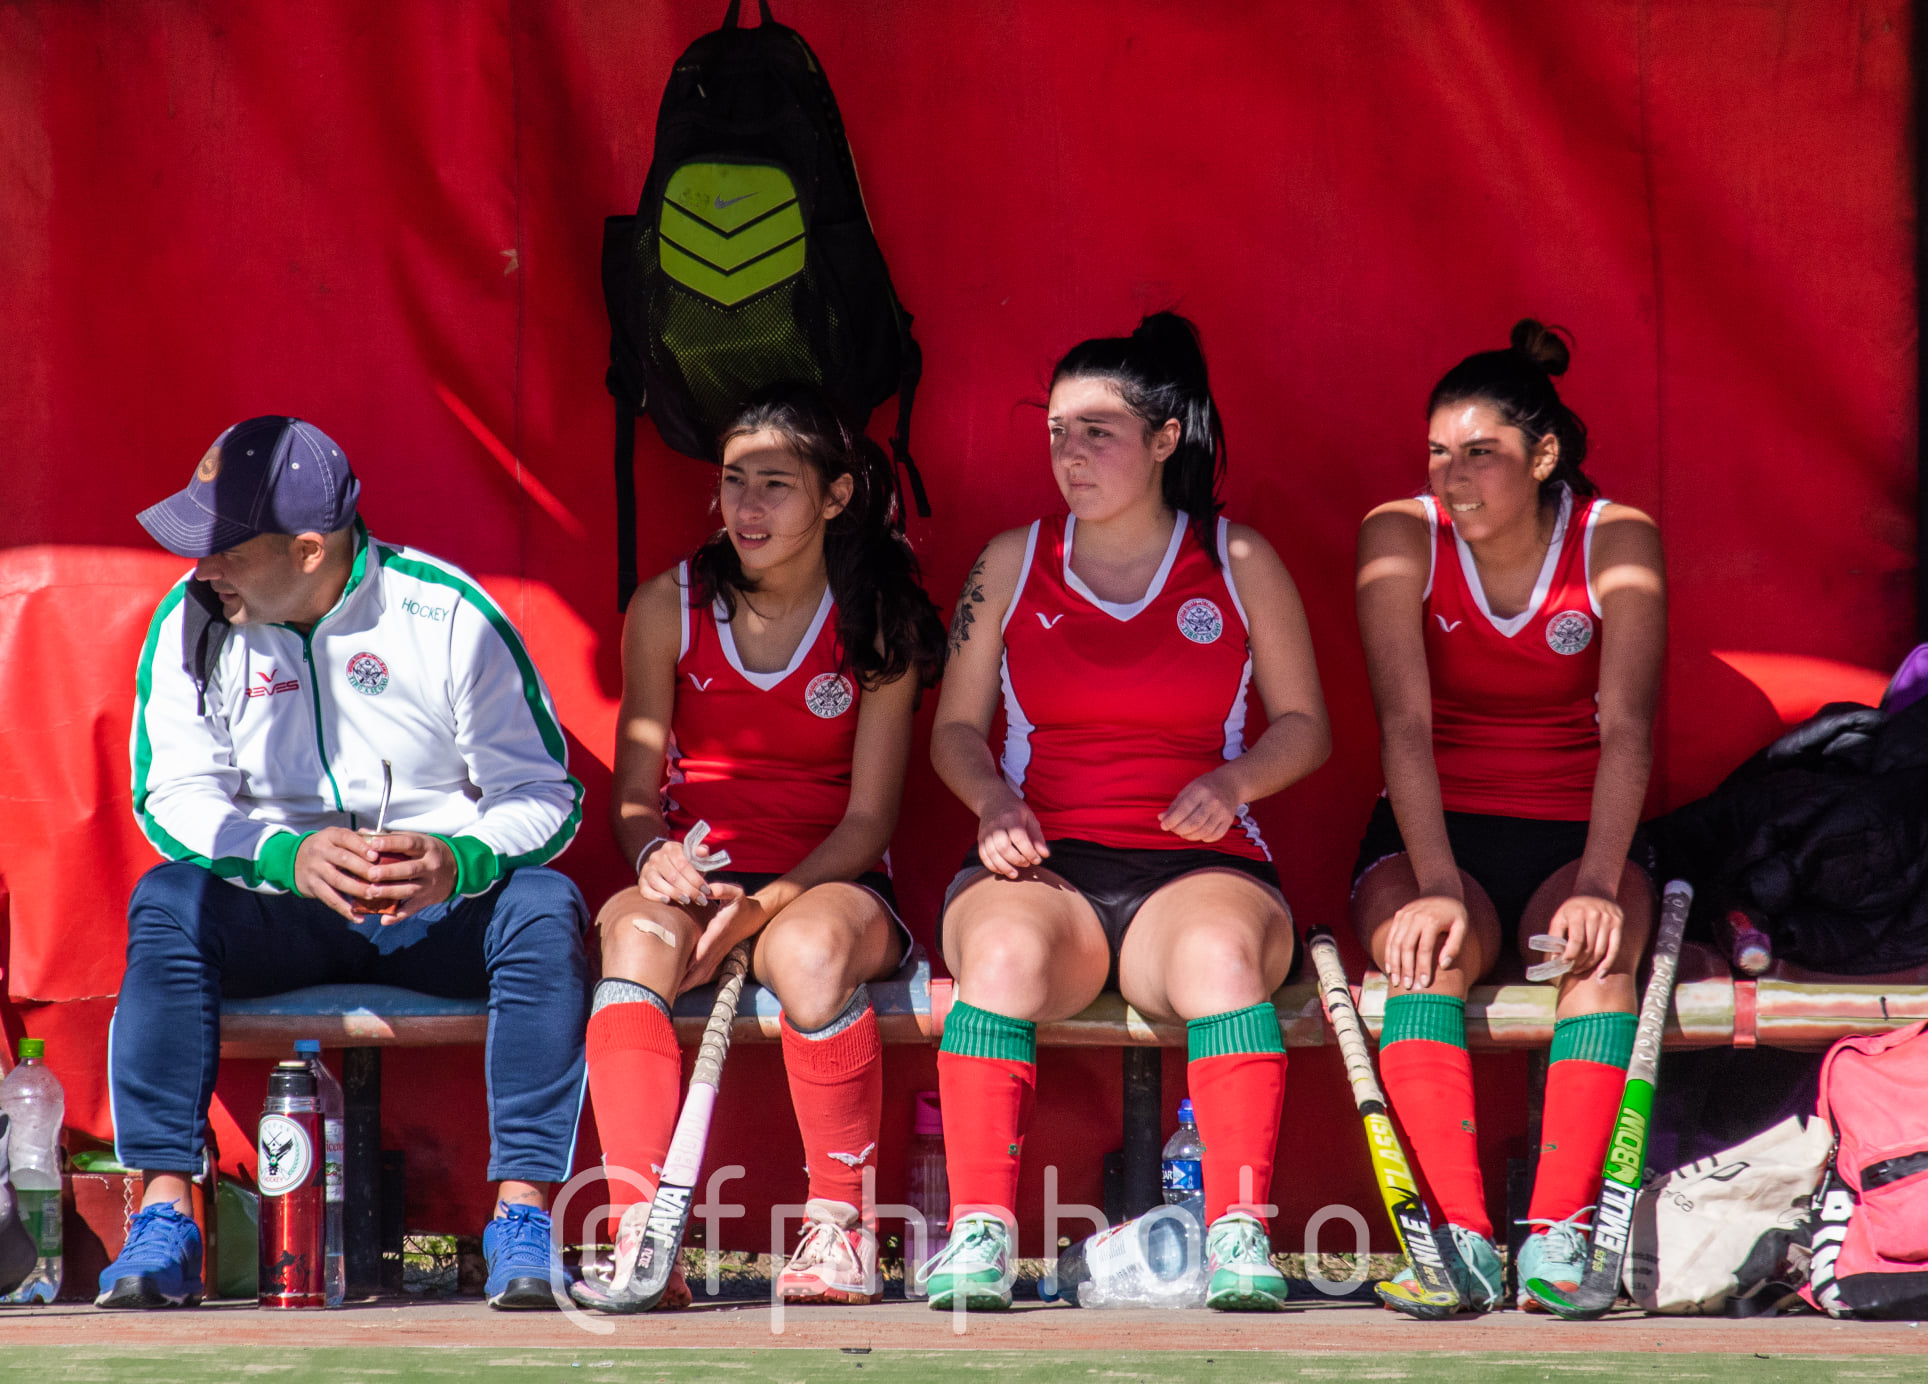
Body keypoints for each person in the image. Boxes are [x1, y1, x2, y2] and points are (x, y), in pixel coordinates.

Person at [104, 416, 589, 1311]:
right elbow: (171, 794)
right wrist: (282, 856)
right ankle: (167, 1216)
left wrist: (459, 858)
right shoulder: (190, 619)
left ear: (310, 549)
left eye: (224, 549)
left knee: (546, 906)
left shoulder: (445, 613)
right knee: (168, 901)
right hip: (280, 905)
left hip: (432, 910)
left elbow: (545, 795)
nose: (202, 568)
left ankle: (522, 1216)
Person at [921, 313, 1330, 1313]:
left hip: (1197, 872)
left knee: (1221, 965)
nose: (1070, 453)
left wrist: (1233, 783)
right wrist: (992, 799)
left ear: (1163, 439)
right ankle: (979, 1231)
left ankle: (1235, 1231)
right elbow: (953, 730)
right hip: (1043, 870)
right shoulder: (1011, 560)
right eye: (1056, 430)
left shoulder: (1236, 561)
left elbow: (1305, 725)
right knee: (1003, 960)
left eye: (1096, 431)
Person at [572, 384, 945, 1313]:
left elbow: (868, 824)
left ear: (836, 496)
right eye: (734, 482)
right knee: (633, 942)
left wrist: (762, 907)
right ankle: (641, 1236)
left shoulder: (879, 621)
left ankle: (839, 1228)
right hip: (701, 870)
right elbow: (633, 795)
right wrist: (653, 852)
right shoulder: (669, 603)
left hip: (827, 879)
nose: (747, 506)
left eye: (775, 485)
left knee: (811, 957)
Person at [1351, 320, 1666, 1313]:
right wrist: (1436, 887)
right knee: (1419, 952)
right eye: (1437, 452)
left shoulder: (1615, 536)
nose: (1451, 475)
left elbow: (1626, 728)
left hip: (1578, 833)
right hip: (1433, 829)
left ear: (1541, 457)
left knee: (1595, 954)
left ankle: (1556, 1234)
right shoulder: (1396, 533)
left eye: (1478, 454)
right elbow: (1401, 724)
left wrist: (1594, 882)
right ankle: (1459, 1239)